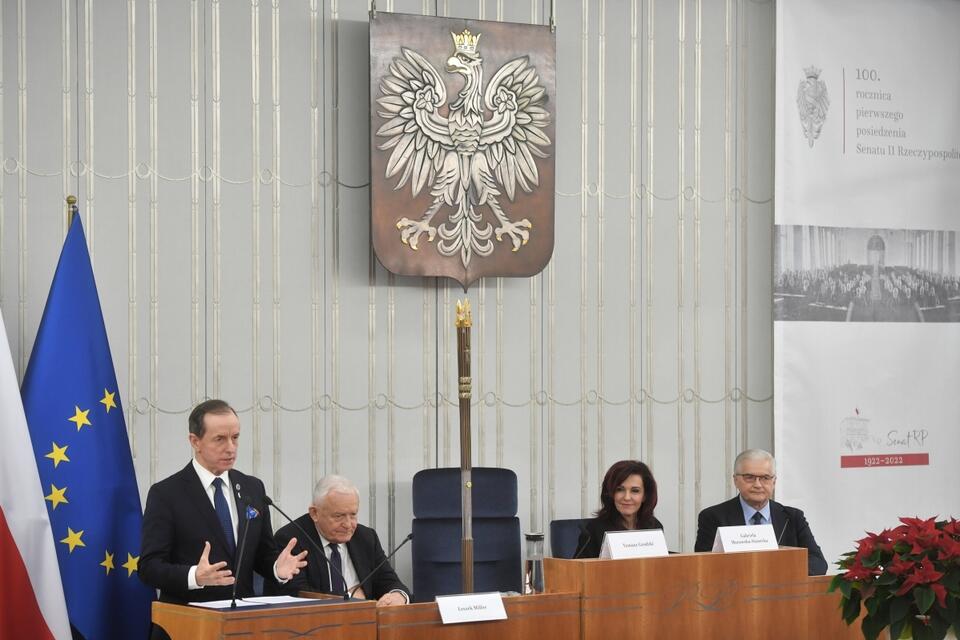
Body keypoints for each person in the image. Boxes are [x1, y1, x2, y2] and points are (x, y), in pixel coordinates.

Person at [139, 399, 308, 610]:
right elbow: (149, 567)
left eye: (235, 438)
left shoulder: (252, 488)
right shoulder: (166, 494)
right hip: (190, 620)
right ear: (195, 441)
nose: (231, 448)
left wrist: (276, 569)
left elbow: (262, 554)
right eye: (219, 439)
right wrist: (195, 576)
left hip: (241, 619)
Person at [269, 475, 410, 605]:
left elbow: (388, 580)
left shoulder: (366, 537)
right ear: (315, 513)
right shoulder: (291, 538)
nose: (348, 525)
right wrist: (349, 596)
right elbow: (297, 593)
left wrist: (398, 595)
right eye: (339, 516)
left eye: (353, 515)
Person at [693, 448, 828, 576]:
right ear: (736, 480)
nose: (757, 484)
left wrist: (775, 572)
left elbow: (818, 563)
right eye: (749, 477)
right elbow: (703, 567)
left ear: (774, 482)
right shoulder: (713, 517)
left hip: (783, 594)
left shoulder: (793, 517)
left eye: (765, 478)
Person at [574, 460, 664, 558]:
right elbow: (577, 570)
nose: (627, 497)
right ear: (610, 494)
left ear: (645, 496)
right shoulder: (593, 531)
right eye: (620, 490)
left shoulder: (654, 527)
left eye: (635, 491)